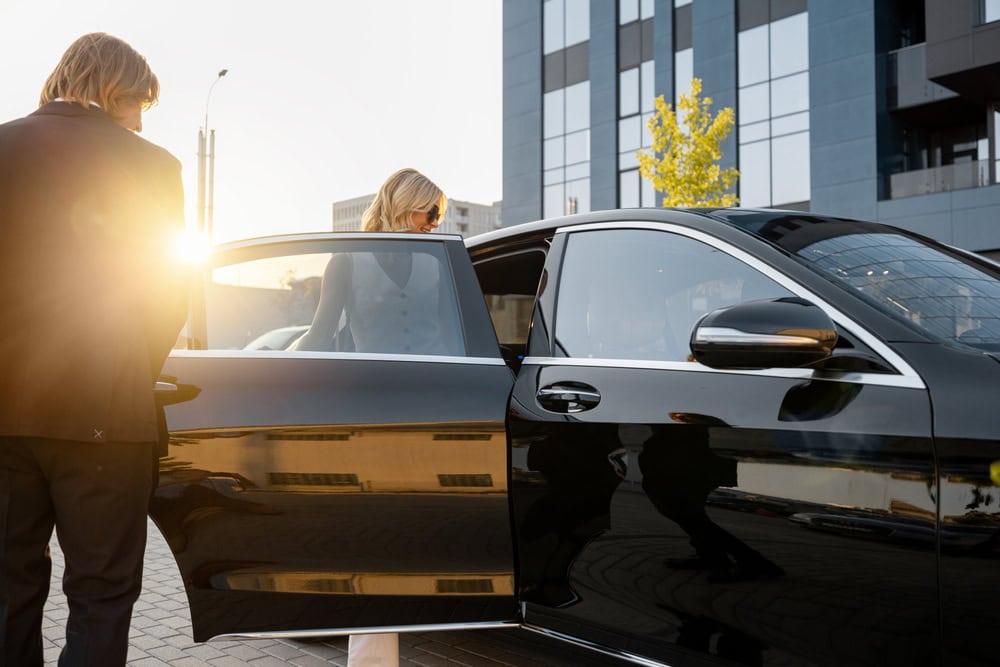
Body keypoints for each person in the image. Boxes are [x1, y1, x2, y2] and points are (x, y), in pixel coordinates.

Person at [0, 33, 188, 665]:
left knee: (6, 590)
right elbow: (168, 297)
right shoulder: (154, 166)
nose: (139, 121)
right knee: (101, 594)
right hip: (108, 419)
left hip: (2, 419)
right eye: (138, 103)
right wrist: (128, 367)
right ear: (116, 91)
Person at [293, 167, 456, 356]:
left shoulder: (438, 262)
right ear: (404, 204)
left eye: (439, 216)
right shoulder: (344, 264)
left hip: (440, 379)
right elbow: (319, 338)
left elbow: (453, 333)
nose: (436, 223)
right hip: (373, 381)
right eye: (432, 212)